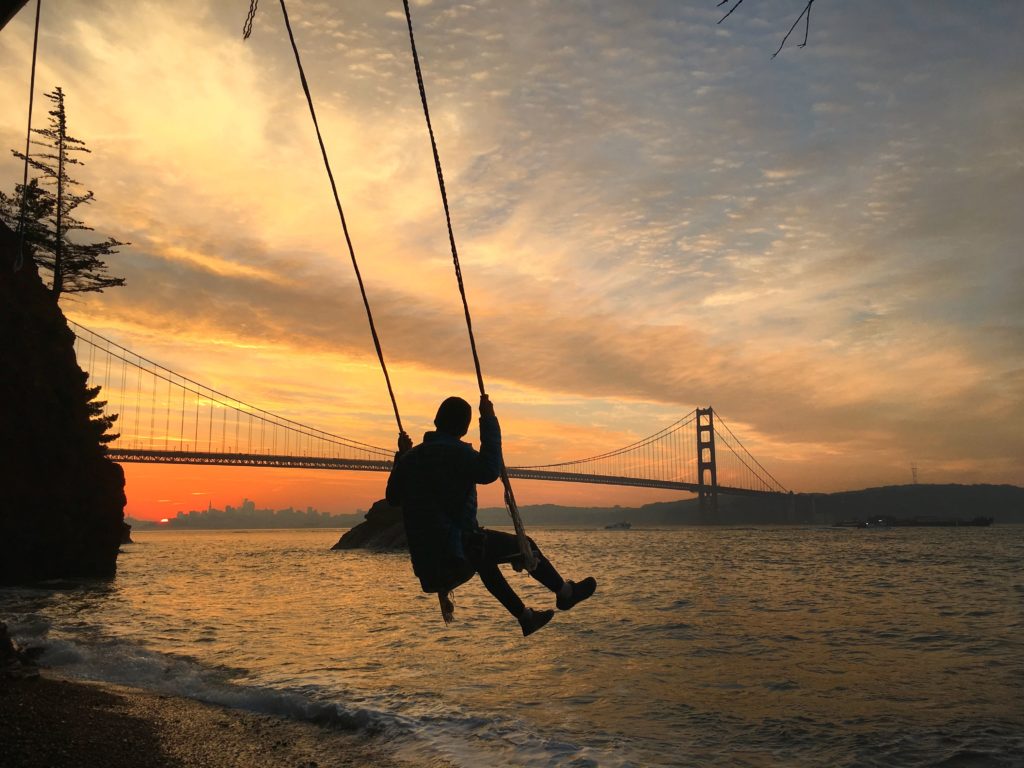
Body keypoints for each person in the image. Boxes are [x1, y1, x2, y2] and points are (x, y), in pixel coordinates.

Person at [386, 394, 596, 636]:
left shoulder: (412, 459)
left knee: (484, 558)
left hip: (428, 564)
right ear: (464, 428)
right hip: (455, 553)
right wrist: (488, 419)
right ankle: (565, 593)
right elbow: (488, 470)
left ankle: (526, 617)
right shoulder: (456, 453)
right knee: (524, 546)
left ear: (436, 420)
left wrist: (401, 458)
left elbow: (393, 497)